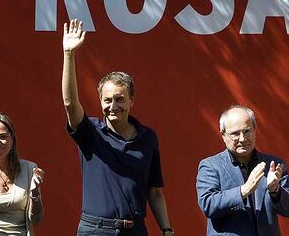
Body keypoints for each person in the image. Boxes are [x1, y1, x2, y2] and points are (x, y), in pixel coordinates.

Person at [62, 19, 174, 236]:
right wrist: (69, 55)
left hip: (136, 230)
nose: (113, 106)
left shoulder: (148, 137)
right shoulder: (90, 132)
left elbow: (155, 191)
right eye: (107, 100)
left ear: (132, 100)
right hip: (96, 230)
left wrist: (166, 230)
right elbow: (70, 103)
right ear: (100, 101)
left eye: (120, 99)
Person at [196, 105, 289, 235]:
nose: (242, 139)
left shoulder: (273, 165)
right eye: (235, 133)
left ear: (255, 130)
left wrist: (275, 191)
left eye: (247, 131)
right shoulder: (211, 166)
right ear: (223, 135)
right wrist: (243, 190)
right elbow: (208, 205)